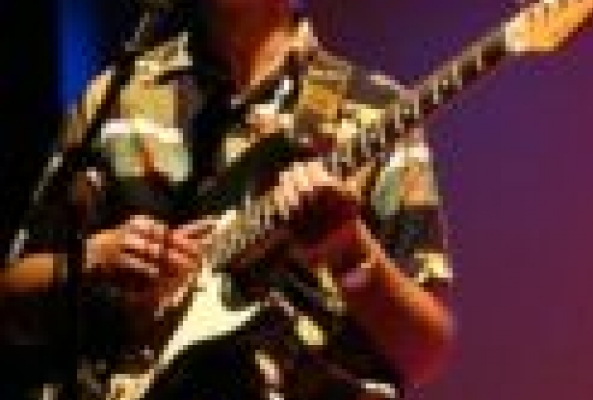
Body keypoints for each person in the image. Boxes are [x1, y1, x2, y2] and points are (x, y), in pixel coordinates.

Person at [0, 1, 455, 399]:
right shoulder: (119, 102)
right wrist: (96, 258)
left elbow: (423, 353)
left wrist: (349, 250)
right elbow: (11, 302)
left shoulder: (373, 109)